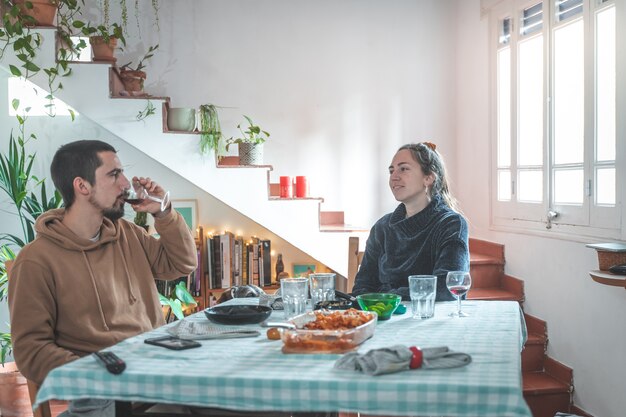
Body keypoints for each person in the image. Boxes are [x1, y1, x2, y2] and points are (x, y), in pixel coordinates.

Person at [8, 140, 197, 411]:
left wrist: (163, 212)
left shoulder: (128, 234)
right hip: (106, 392)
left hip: (157, 374)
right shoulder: (36, 260)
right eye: (114, 175)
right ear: (82, 186)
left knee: (237, 404)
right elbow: (30, 349)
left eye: (122, 173)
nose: (125, 184)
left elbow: (182, 263)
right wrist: (94, 373)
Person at [351, 142, 469, 301]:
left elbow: (446, 289)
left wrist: (386, 298)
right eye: (391, 170)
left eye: (403, 168)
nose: (394, 176)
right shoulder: (382, 227)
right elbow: (362, 287)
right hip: (382, 318)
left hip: (429, 320)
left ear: (428, 178)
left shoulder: (451, 224)